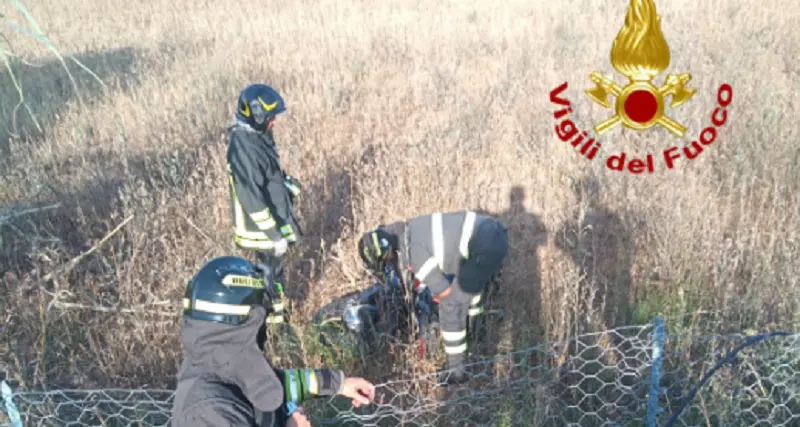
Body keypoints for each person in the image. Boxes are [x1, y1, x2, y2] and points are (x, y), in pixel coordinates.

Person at [172, 256, 376, 427]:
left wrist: (339, 384)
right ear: (242, 325)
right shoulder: (207, 412)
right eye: (260, 326)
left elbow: (274, 386)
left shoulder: (224, 366)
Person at [357, 210, 508, 385]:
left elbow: (445, 294)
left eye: (387, 260)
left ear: (386, 251)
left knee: (449, 307)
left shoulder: (414, 252)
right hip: (494, 234)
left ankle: (456, 372)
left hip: (484, 247)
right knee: (467, 288)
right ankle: (477, 331)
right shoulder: (411, 229)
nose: (390, 262)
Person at [225, 83, 303, 324]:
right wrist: (273, 235)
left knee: (274, 274)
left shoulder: (256, 137)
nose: (274, 122)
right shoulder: (243, 148)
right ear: (256, 117)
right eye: (270, 117)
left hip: (272, 225)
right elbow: (251, 197)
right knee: (270, 278)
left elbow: (267, 175)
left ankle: (276, 319)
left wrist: (286, 184)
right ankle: (274, 327)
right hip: (259, 231)